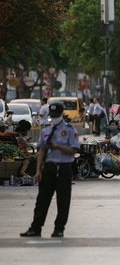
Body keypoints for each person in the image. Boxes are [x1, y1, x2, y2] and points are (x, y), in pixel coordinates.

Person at [20, 102, 80, 238]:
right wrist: (38, 170)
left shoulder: (70, 130)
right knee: (42, 200)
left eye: (56, 115)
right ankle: (35, 228)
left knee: (63, 200)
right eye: (52, 115)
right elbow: (41, 150)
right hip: (48, 168)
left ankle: (59, 229)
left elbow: (74, 150)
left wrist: (58, 147)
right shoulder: (46, 130)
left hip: (63, 168)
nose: (54, 118)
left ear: (61, 114)